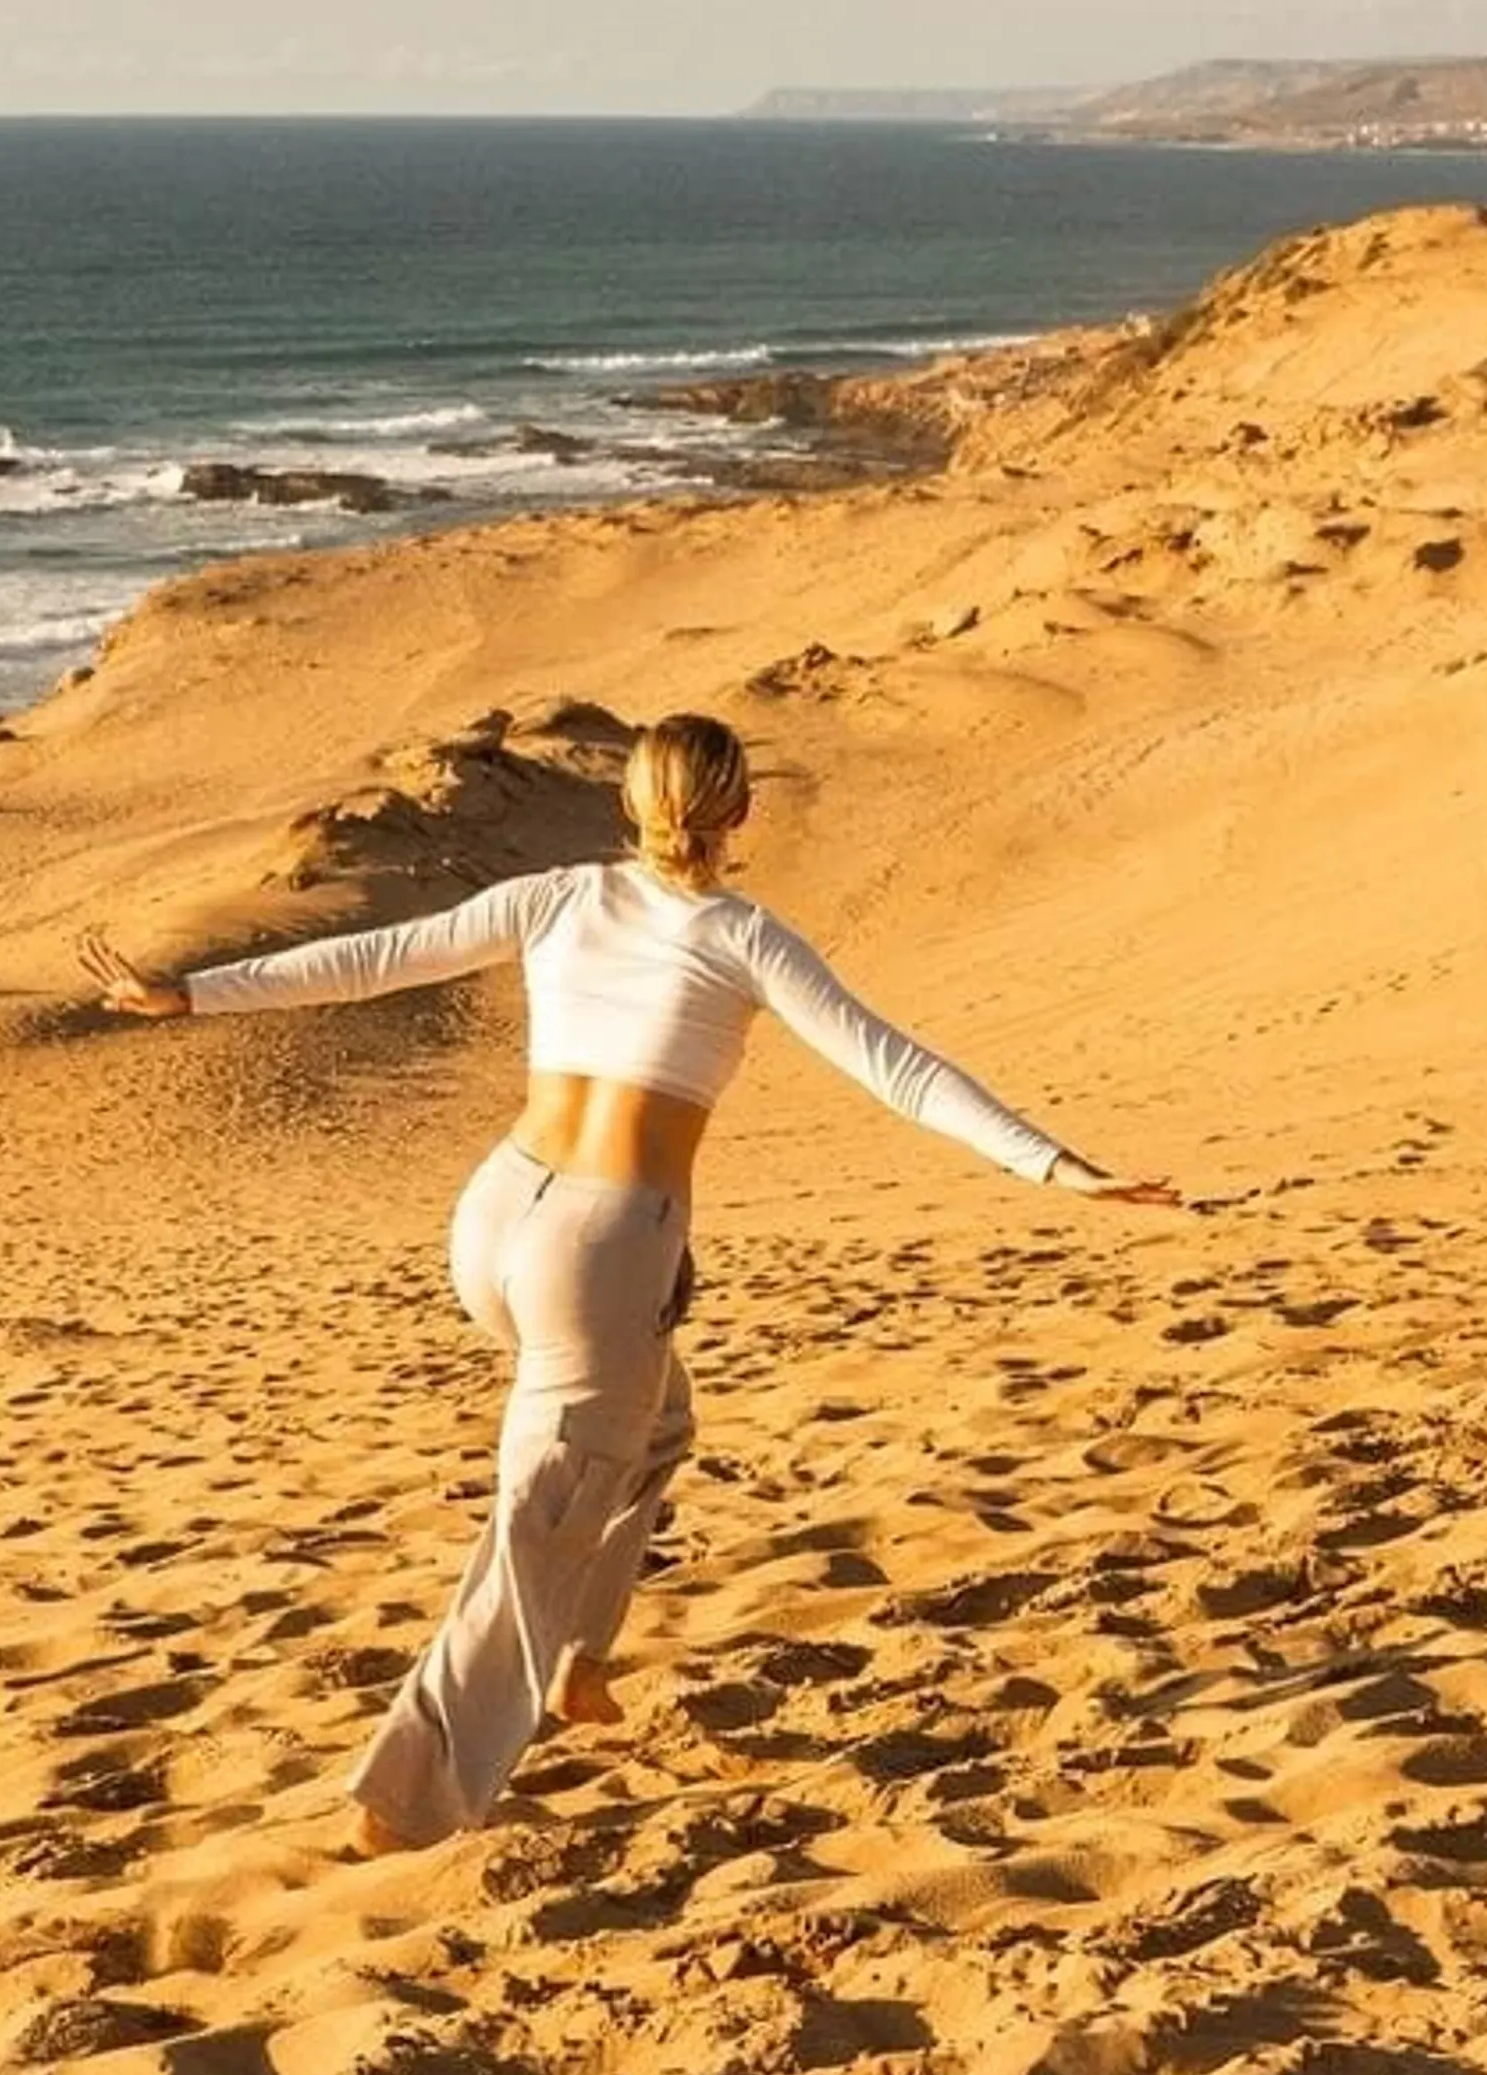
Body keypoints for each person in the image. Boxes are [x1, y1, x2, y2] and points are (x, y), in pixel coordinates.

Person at [80, 712, 1177, 1854]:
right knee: (537, 1522)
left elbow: (374, 958)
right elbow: (891, 1064)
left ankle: (572, 1665)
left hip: (499, 1213)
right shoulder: (747, 937)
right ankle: (401, 1805)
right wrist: (1054, 1166)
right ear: (742, 812)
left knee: (654, 1428)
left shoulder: (557, 897)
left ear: (631, 806)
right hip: (601, 1251)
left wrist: (194, 994)